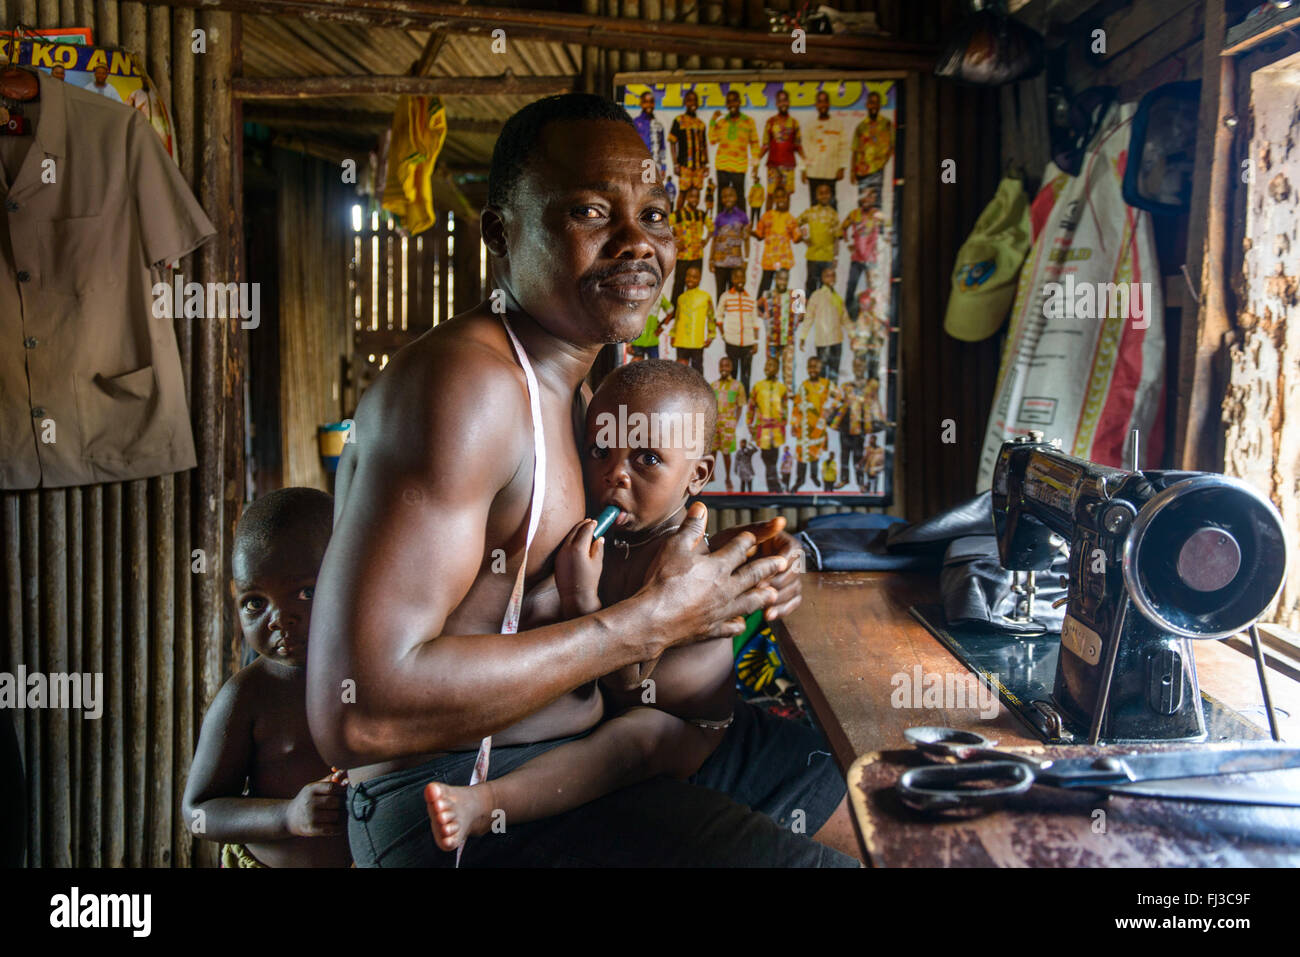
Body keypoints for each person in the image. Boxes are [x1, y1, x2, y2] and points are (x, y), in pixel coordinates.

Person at [308, 93, 858, 868]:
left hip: (575, 750)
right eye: (593, 212)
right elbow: (358, 711)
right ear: (501, 233)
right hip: (451, 799)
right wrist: (649, 624)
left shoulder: (583, 389)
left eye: (656, 215)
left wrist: (725, 578)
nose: (637, 243)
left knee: (850, 781)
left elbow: (558, 589)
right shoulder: (469, 387)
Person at [425, 361, 745, 849]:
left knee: (631, 743)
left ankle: (486, 803)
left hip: (682, 725)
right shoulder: (602, 532)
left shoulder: (681, 560)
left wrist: (580, 596)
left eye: (647, 459)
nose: (615, 473)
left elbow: (624, 676)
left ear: (696, 476)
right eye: (600, 451)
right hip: (614, 705)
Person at [183, 488, 353, 868]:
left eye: (305, 592)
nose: (278, 618)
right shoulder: (249, 696)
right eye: (255, 602)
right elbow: (199, 811)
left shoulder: (372, 673)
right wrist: (288, 816)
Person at [800, 265, 852, 383]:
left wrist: (853, 335)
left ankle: (833, 398)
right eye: (827, 276)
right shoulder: (816, 295)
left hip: (837, 340)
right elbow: (808, 317)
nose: (831, 278)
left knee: (834, 373)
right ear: (823, 279)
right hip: (823, 342)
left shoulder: (838, 298)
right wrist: (803, 336)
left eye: (833, 275)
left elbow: (845, 318)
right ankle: (822, 398)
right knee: (822, 373)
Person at [660, 264, 716, 374]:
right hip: (681, 340)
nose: (690, 279)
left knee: (697, 370)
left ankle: (699, 391)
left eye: (694, 277)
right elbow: (677, 319)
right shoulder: (681, 298)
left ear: (699, 279)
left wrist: (711, 335)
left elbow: (711, 317)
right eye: (688, 276)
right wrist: (673, 334)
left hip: (697, 342)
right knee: (680, 371)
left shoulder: (705, 297)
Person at [746, 355, 790, 493]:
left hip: (776, 430)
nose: (767, 368)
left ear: (777, 369)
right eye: (766, 365)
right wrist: (749, 423)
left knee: (774, 457)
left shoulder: (782, 388)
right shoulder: (758, 387)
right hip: (763, 429)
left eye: (771, 365)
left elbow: (785, 407)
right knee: (767, 457)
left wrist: (783, 422)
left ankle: (773, 484)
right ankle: (774, 484)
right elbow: (751, 406)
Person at [790, 355, 832, 492]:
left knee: (815, 454)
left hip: (818, 427)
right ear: (807, 369)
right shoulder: (803, 386)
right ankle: (799, 480)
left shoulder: (826, 384)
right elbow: (796, 407)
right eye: (810, 366)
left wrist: (830, 409)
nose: (813, 369)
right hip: (803, 428)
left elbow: (838, 396)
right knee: (801, 456)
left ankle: (814, 476)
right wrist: (793, 425)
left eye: (816, 366)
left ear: (820, 368)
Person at [709, 89, 758, 202]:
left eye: (734, 101)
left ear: (739, 102)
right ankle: (721, 220)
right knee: (722, 198)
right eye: (729, 102)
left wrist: (755, 165)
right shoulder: (722, 122)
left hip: (739, 166)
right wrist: (713, 120)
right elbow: (712, 139)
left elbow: (755, 143)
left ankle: (741, 220)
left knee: (739, 197)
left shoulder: (748, 121)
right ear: (726, 104)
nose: (732, 104)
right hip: (722, 165)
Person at [841, 192, 885, 319]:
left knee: (873, 288)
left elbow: (889, 226)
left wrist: (882, 244)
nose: (868, 199)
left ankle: (874, 317)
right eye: (865, 196)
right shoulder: (854, 214)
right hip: (857, 258)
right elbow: (843, 228)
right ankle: (850, 317)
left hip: (871, 258)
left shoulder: (877, 214)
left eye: (871, 196)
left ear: (874, 199)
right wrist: (848, 243)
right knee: (851, 286)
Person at [751, 188, 800, 300]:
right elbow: (759, 235)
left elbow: (796, 238)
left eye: (783, 197)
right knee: (765, 286)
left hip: (784, 259)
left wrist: (805, 236)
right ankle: (759, 311)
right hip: (769, 259)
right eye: (777, 197)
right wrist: (749, 232)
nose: (780, 199)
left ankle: (785, 311)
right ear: (774, 199)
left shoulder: (791, 218)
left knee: (783, 286)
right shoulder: (766, 216)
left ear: (787, 199)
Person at [717, 267, 761, 392]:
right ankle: (732, 399)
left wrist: (756, 342)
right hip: (732, 342)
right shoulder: (725, 296)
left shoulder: (750, 299)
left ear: (746, 279)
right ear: (732, 279)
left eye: (742, 277)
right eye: (736, 277)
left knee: (746, 374)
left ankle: (745, 400)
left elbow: (755, 322)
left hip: (748, 342)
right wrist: (724, 336)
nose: (739, 280)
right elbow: (718, 317)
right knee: (733, 372)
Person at [757, 266, 800, 394]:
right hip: (772, 339)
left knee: (789, 368)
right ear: (775, 279)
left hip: (789, 339)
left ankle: (788, 394)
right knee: (772, 367)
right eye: (780, 279)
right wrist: (766, 319)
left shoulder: (796, 295)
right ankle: (773, 392)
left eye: (786, 279)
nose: (783, 282)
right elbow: (758, 308)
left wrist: (794, 325)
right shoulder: (767, 294)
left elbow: (802, 314)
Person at [668, 185, 712, 304]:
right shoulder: (678, 214)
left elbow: (712, 228)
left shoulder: (701, 215)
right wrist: (674, 240)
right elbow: (663, 226)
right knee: (679, 284)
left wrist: (706, 240)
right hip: (683, 256)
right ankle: (673, 312)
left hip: (698, 256)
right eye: (692, 196)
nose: (695, 200)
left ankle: (689, 310)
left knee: (693, 286)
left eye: (697, 197)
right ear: (687, 197)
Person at [803, 89, 846, 209]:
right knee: (815, 206)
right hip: (814, 172)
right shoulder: (810, 125)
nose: (822, 105)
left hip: (831, 172)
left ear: (829, 104)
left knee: (831, 206)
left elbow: (843, 146)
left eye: (825, 101)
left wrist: (842, 167)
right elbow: (805, 148)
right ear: (816, 105)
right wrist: (803, 169)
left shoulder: (838, 124)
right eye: (820, 102)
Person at [760, 89, 802, 211]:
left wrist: (805, 164)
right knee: (771, 194)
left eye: (785, 100)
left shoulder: (794, 123)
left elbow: (798, 145)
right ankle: (766, 226)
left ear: (788, 102)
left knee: (786, 195)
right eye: (780, 101)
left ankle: (784, 226)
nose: (783, 103)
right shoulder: (770, 122)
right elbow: (765, 145)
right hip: (773, 166)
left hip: (789, 166)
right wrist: (756, 162)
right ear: (776, 104)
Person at [796, 182, 840, 296]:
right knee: (810, 283)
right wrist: (804, 238)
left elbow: (836, 238)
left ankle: (822, 311)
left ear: (830, 195)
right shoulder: (810, 212)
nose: (824, 196)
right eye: (821, 193)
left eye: (826, 193)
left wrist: (836, 256)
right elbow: (796, 223)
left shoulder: (834, 214)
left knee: (825, 286)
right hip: (813, 255)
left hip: (828, 257)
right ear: (816, 196)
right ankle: (806, 311)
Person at [711, 355, 746, 491]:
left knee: (726, 453)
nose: (724, 368)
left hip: (728, 424)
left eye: (727, 366)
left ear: (731, 368)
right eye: (722, 366)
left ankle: (727, 478)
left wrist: (735, 421)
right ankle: (711, 476)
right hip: (715, 423)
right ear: (719, 368)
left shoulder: (737, 386)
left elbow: (741, 405)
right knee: (712, 451)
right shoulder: (714, 385)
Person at [668, 89, 709, 207]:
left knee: (696, 193)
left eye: (695, 100)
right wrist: (675, 164)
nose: (693, 103)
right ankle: (677, 220)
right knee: (683, 192)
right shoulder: (679, 121)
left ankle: (693, 221)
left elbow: (704, 145)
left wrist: (706, 165)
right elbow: (672, 142)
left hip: (699, 166)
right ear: (685, 103)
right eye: (690, 100)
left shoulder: (701, 124)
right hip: (685, 165)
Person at [710, 184, 749, 295]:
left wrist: (746, 260)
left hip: (736, 263)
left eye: (730, 196)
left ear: (736, 197)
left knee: (734, 293)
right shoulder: (719, 217)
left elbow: (746, 239)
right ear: (722, 199)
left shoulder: (742, 216)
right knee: (720, 293)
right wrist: (711, 259)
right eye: (725, 196)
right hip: (720, 263)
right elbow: (715, 239)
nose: (728, 199)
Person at [852, 90, 894, 192]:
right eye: (871, 102)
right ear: (867, 105)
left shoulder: (887, 124)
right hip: (861, 171)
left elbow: (892, 146)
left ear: (879, 105)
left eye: (876, 103)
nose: (873, 106)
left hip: (877, 170)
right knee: (863, 202)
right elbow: (855, 150)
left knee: (876, 202)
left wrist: (883, 161)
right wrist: (852, 172)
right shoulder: (861, 126)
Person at [634, 89, 667, 183]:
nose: (649, 105)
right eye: (646, 102)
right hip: (640, 164)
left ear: (654, 104)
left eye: (651, 102)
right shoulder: (636, 122)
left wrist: (663, 166)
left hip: (656, 164)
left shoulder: (658, 124)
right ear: (641, 104)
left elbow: (662, 147)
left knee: (654, 192)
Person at [629, 294, 672, 361]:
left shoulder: (659, 296)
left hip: (652, 339)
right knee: (636, 365)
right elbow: (628, 317)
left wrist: (662, 327)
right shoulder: (636, 294)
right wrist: (627, 343)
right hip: (636, 340)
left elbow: (670, 311)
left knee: (654, 367)